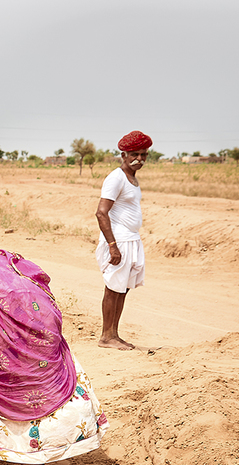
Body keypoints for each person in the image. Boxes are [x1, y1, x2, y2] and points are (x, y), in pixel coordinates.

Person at [0, 240, 108, 465]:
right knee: (47, 383)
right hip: (44, 335)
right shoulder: (12, 264)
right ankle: (58, 447)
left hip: (0, 341)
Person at [95, 130, 153, 350]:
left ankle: (113, 334)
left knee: (123, 288)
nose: (140, 159)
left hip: (130, 239)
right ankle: (106, 336)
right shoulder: (116, 178)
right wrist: (112, 246)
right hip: (118, 240)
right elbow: (101, 213)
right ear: (124, 155)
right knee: (113, 287)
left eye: (144, 154)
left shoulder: (132, 179)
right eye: (135, 154)